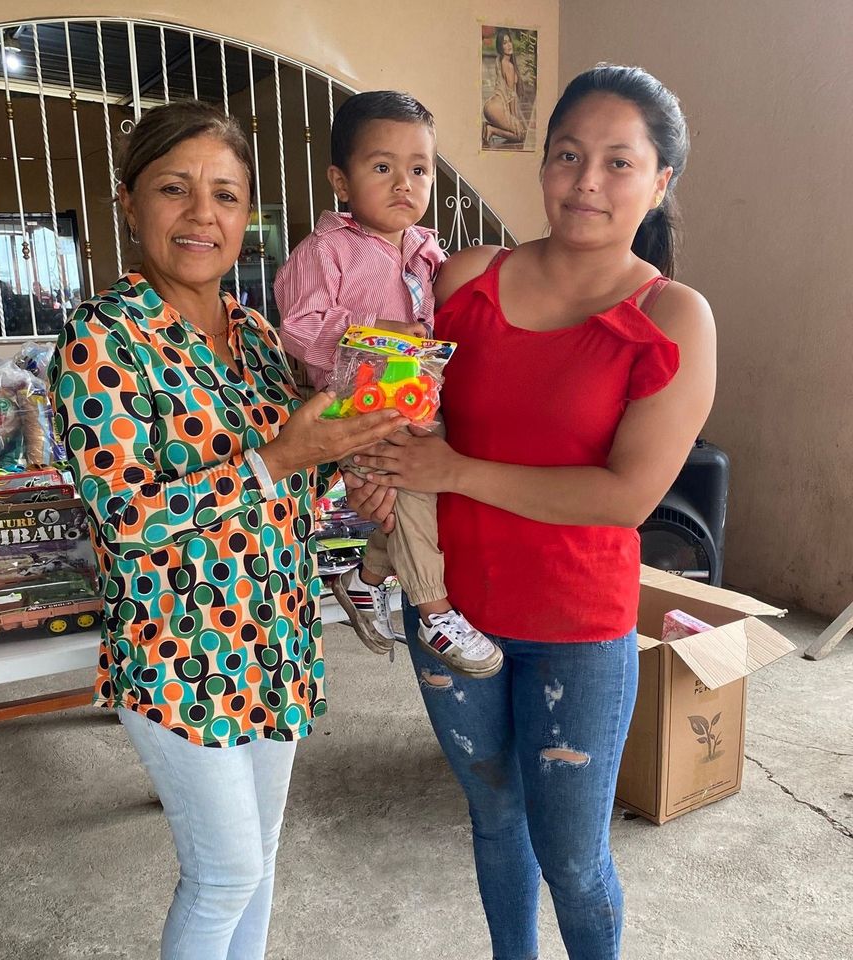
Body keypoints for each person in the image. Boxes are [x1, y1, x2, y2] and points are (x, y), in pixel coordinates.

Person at [346, 65, 716, 960]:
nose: (587, 181)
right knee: (493, 818)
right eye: (568, 155)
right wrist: (375, 474)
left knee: (574, 860)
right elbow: (400, 411)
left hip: (576, 629)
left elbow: (625, 497)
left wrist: (457, 471)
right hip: (450, 612)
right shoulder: (467, 278)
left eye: (619, 162)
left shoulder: (673, 316)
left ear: (660, 181)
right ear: (544, 164)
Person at [49, 100, 402, 960]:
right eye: (175, 188)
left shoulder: (255, 335)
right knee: (223, 875)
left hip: (275, 636)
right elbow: (126, 517)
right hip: (180, 652)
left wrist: (352, 460)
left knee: (260, 862)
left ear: (247, 216)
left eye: (226, 195)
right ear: (129, 202)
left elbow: (291, 481)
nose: (201, 214)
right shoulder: (104, 338)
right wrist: (283, 457)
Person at [275, 90, 502, 679]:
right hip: (358, 409)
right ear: (341, 182)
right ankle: (432, 610)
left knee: (421, 496)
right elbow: (299, 326)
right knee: (413, 496)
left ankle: (367, 576)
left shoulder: (427, 251)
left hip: (417, 402)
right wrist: (375, 331)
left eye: (419, 169)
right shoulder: (327, 250)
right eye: (382, 167)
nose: (404, 183)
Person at [482, 29, 527, 146]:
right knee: (521, 135)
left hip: (491, 105)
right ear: (500, 47)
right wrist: (513, 118)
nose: (509, 45)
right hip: (497, 108)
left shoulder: (499, 60)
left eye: (509, 41)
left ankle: (490, 127)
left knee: (518, 130)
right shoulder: (508, 66)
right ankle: (492, 130)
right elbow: (511, 95)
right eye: (504, 43)